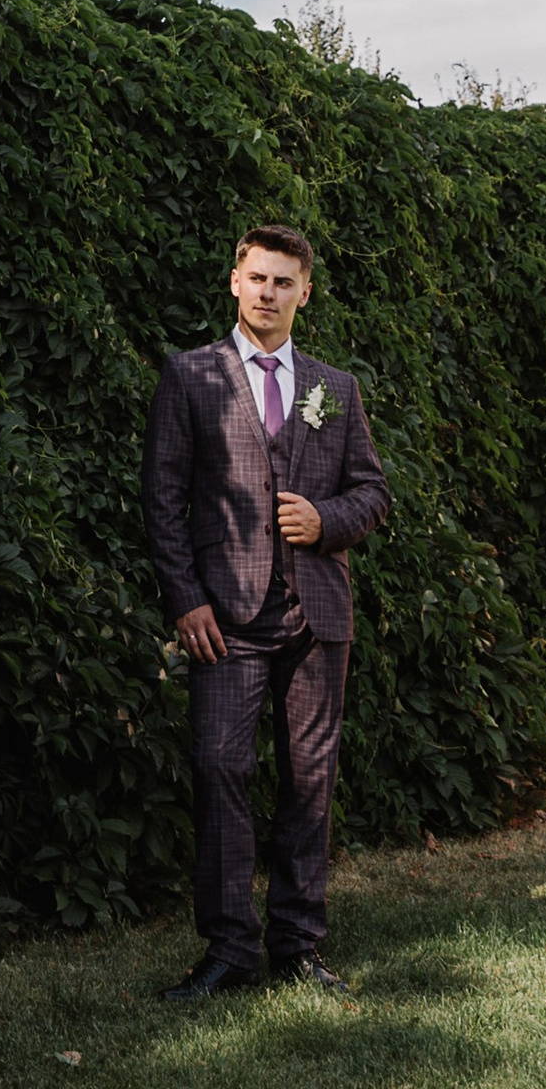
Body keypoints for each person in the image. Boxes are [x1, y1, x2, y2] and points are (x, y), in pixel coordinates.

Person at [142, 223, 390, 1001]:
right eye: (257, 278)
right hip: (226, 618)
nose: (268, 293)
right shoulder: (191, 376)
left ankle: (299, 947)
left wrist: (326, 521)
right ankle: (227, 950)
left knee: (310, 780)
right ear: (234, 280)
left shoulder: (335, 387)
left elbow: (373, 493)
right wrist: (185, 600)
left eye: (284, 282)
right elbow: (163, 498)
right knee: (220, 768)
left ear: (305, 293)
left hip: (316, 616)